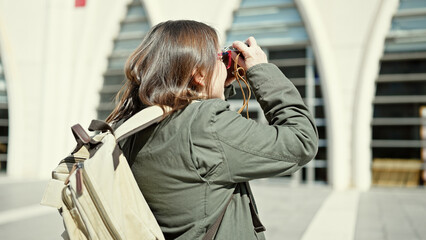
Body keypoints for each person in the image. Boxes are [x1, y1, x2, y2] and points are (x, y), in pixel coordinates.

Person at [106, 20, 318, 240]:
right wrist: (261, 71)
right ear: (199, 74)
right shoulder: (207, 125)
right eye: (220, 58)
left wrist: (216, 84)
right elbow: (301, 141)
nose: (226, 64)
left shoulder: (132, 126)